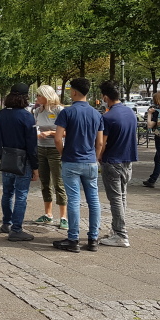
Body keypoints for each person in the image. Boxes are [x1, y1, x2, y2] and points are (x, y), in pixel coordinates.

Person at [53, 78, 104, 253]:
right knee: (94, 200)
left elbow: (58, 138)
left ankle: (73, 238)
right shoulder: (97, 114)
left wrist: (63, 154)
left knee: (74, 200)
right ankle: (93, 238)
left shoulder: (67, 113)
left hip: (72, 161)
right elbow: (99, 143)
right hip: (90, 161)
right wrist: (95, 159)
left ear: (74, 92)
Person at [0, 83, 39, 241]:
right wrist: (35, 166)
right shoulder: (27, 116)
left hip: (7, 157)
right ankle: (16, 229)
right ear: (25, 97)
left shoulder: (0, 114)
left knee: (7, 193)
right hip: (23, 159)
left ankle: (7, 223)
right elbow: (32, 144)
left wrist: (1, 156)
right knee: (21, 195)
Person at [98, 81, 138, 247]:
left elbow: (101, 143)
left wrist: (97, 158)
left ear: (105, 97)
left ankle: (121, 234)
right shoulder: (130, 113)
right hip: (128, 160)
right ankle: (117, 230)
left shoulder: (107, 117)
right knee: (122, 197)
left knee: (115, 199)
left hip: (112, 161)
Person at [31, 85, 68, 230]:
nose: (37, 98)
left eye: (39, 95)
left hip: (55, 149)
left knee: (58, 182)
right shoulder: (37, 111)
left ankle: (63, 216)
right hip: (41, 148)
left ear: (47, 96)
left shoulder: (59, 110)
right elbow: (35, 128)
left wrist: (52, 133)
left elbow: (66, 132)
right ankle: (48, 214)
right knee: (44, 182)